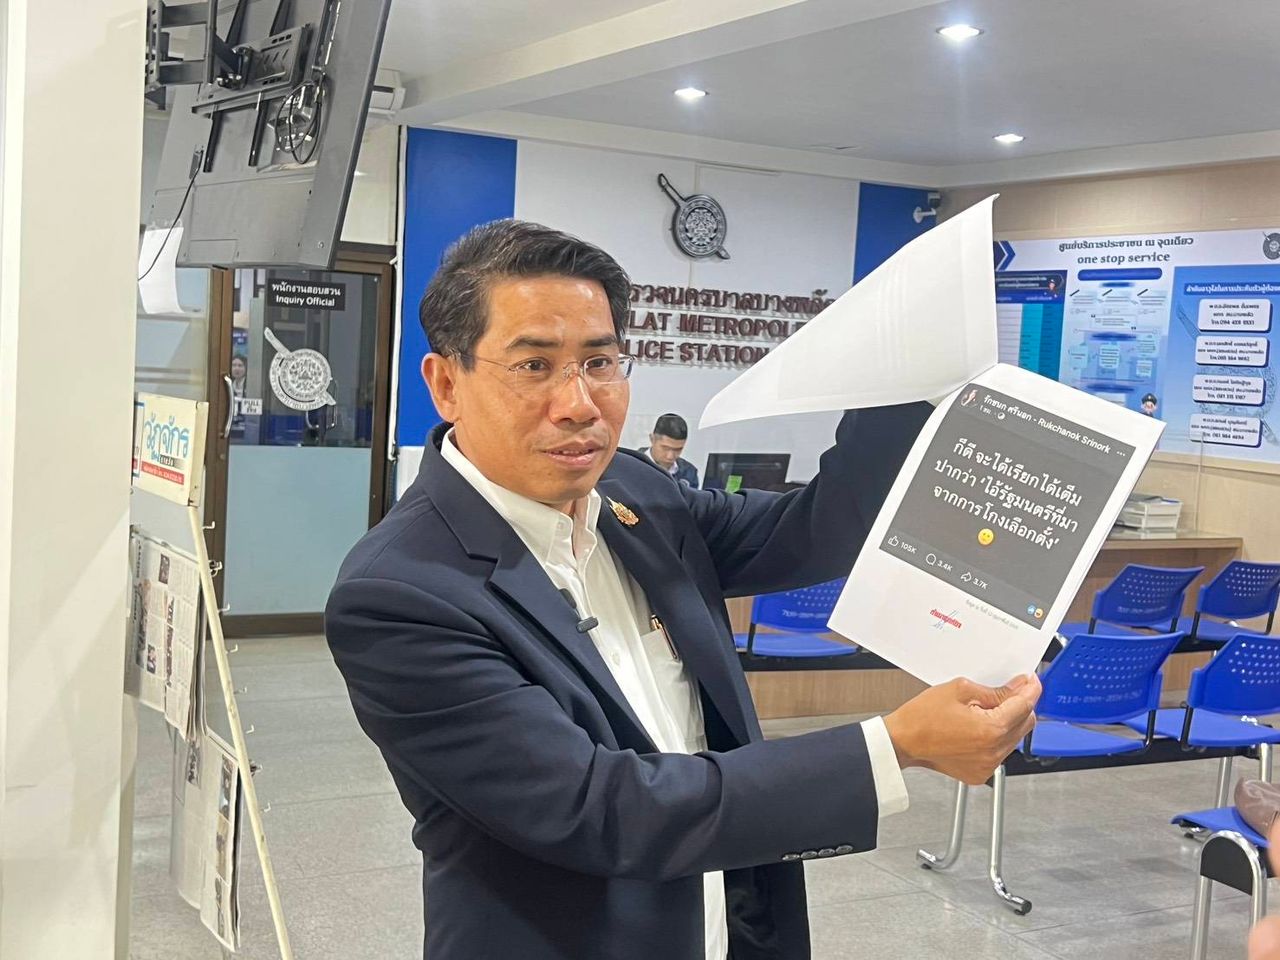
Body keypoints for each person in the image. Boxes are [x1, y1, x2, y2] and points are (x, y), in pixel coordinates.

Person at [325, 220, 1040, 960]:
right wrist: (895, 747)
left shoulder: (635, 494)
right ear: (446, 384)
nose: (579, 403)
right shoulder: (403, 593)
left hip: (726, 928)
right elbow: (603, 809)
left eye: (599, 362)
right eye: (534, 365)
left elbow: (816, 530)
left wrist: (908, 372)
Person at [641, 412, 699, 487]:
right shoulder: (632, 465)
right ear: (652, 439)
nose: (670, 456)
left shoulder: (689, 473)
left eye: (677, 450)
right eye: (665, 448)